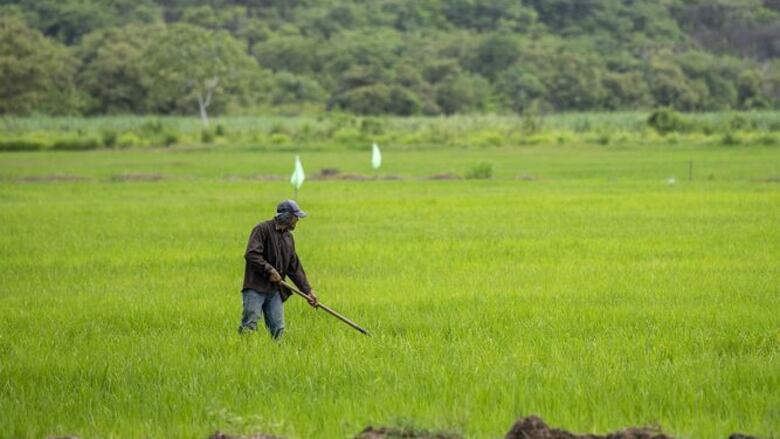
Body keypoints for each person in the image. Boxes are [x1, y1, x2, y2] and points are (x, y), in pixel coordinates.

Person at [239, 200, 318, 338]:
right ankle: (244, 354)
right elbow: (251, 254)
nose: (297, 220)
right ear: (286, 217)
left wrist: (308, 291)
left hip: (275, 290)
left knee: (278, 330)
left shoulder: (288, 238)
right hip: (255, 288)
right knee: (249, 325)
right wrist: (269, 270)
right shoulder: (262, 229)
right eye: (295, 217)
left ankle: (277, 355)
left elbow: (294, 267)